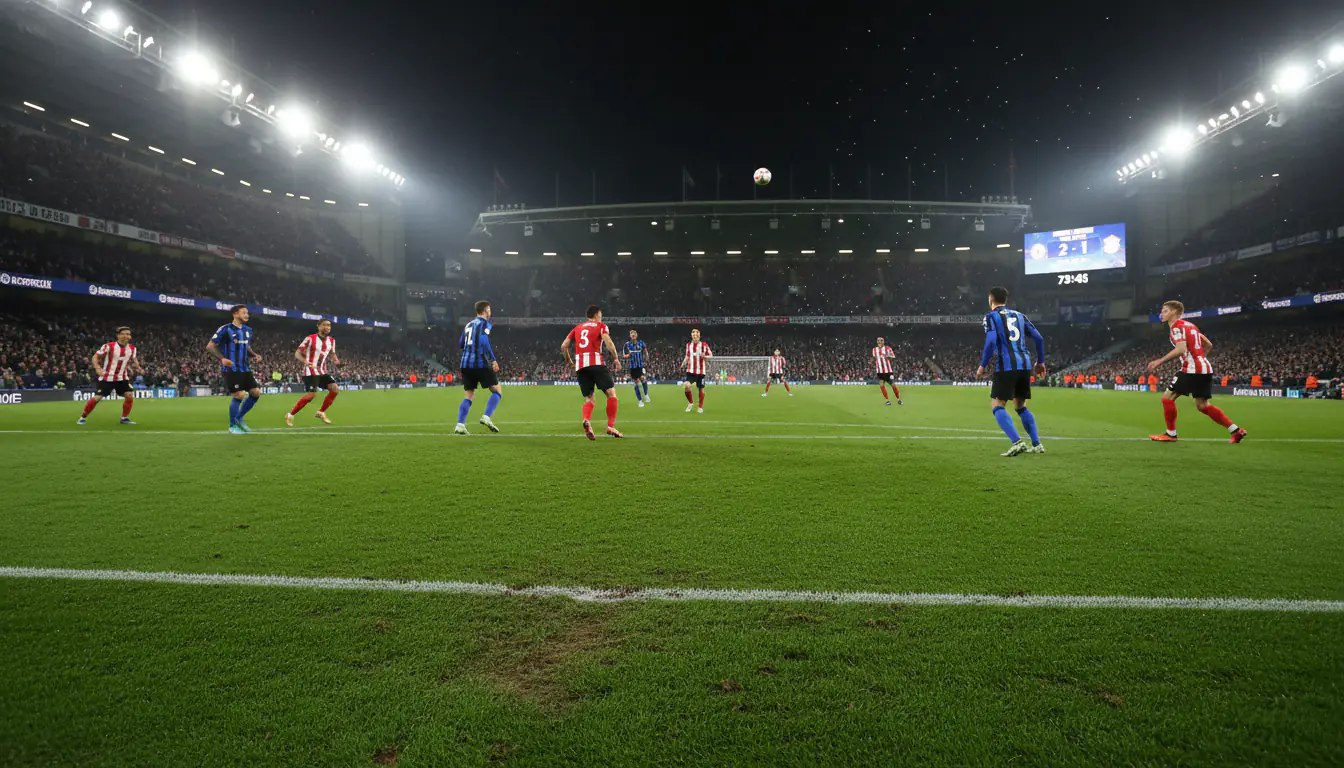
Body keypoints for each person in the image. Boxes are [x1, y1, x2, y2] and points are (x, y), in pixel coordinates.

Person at [1147, 300, 1247, 444]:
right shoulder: (1191, 326)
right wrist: (1198, 358)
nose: (1161, 314)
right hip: (1205, 367)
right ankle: (1236, 431)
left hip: (1192, 368)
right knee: (1202, 406)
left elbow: (1181, 349)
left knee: (1167, 398)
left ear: (1175, 312)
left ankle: (1171, 434)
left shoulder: (1176, 327)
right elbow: (1208, 344)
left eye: (1165, 311)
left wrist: (1159, 361)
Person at [977, 287, 1047, 457]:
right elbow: (1039, 338)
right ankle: (1036, 444)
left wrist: (982, 365)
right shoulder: (1020, 316)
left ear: (991, 299)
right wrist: (1041, 362)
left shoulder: (991, 317)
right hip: (1024, 365)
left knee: (997, 405)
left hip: (1006, 365)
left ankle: (1017, 442)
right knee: (1020, 405)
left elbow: (991, 341)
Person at [561, 304, 623, 440]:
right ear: (596, 314)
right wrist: (616, 358)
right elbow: (608, 342)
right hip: (596, 363)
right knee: (611, 393)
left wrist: (570, 362)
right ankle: (611, 426)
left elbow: (564, 346)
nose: (601, 317)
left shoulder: (577, 328)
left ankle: (586, 419)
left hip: (581, 366)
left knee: (589, 398)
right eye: (600, 314)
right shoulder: (601, 326)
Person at [207, 305, 264, 434]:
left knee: (255, 393)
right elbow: (210, 346)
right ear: (235, 314)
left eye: (247, 313)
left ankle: (239, 418)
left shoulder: (248, 330)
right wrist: (222, 358)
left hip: (245, 368)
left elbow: (246, 347)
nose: (247, 315)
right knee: (239, 394)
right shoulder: (225, 329)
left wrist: (254, 354)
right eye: (244, 312)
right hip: (231, 368)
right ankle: (232, 426)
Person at [77, 326, 144, 425]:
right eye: (124, 334)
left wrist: (138, 368)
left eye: (128, 334)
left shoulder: (132, 349)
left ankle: (124, 418)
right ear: (118, 335)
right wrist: (98, 368)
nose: (126, 336)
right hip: (108, 377)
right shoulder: (109, 346)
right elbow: (95, 357)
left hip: (122, 377)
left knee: (129, 396)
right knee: (98, 397)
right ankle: (82, 417)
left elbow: (134, 359)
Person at [455, 300, 503, 435]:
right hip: (480, 363)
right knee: (497, 390)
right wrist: (493, 359)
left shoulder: (468, 325)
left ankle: (460, 425)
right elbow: (483, 340)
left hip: (465, 364)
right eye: (489, 309)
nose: (490, 312)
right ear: (485, 311)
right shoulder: (485, 324)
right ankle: (486, 416)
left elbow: (460, 344)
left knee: (469, 396)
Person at [287, 319, 341, 426]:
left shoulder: (332, 341)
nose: (327, 327)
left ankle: (321, 412)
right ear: (318, 326)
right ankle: (290, 415)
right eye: (324, 325)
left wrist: (337, 361)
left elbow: (332, 354)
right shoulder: (310, 338)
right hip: (310, 371)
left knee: (334, 389)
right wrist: (305, 361)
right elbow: (297, 353)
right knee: (311, 396)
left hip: (322, 371)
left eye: (329, 325)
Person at [682, 328, 713, 413]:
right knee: (687, 386)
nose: (695, 337)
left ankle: (700, 407)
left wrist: (705, 356)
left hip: (701, 371)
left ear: (699, 336)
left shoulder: (704, 345)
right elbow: (687, 356)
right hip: (690, 371)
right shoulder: (688, 345)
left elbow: (711, 355)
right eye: (693, 335)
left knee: (701, 389)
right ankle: (690, 403)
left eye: (696, 335)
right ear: (692, 336)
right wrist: (683, 363)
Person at [623, 329, 651, 407]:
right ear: (630, 336)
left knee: (643, 379)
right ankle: (640, 401)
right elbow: (624, 355)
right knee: (637, 383)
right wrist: (628, 355)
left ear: (636, 335)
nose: (633, 335)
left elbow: (645, 350)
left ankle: (645, 395)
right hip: (633, 367)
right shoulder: (627, 344)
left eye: (634, 333)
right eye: (631, 334)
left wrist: (646, 355)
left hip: (640, 365)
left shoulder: (641, 343)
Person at [872, 336, 902, 405]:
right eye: (878, 340)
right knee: (881, 385)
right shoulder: (874, 350)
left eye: (881, 340)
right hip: (880, 372)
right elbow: (875, 358)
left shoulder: (888, 348)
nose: (879, 341)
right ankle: (888, 401)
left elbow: (893, 357)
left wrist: (887, 356)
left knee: (893, 385)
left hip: (888, 371)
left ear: (883, 341)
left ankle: (899, 399)